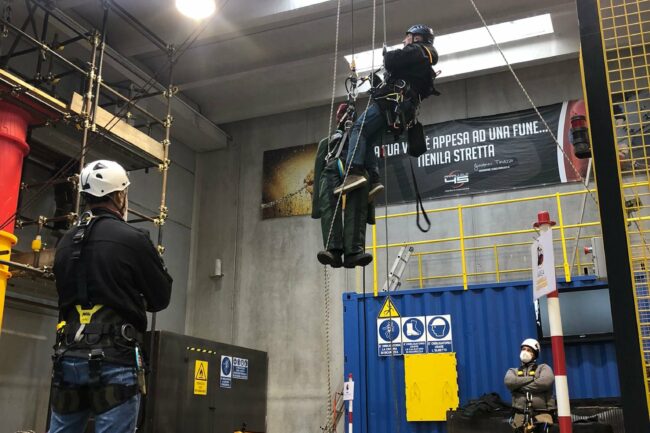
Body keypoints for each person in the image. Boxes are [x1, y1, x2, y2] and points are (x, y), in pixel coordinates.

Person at [49, 160, 173, 433]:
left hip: (69, 356)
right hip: (115, 358)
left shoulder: (65, 242)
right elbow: (160, 298)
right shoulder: (132, 238)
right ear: (119, 195)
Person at [335, 24, 439, 195]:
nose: (404, 41)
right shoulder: (423, 63)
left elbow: (391, 60)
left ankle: (354, 172)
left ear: (417, 38)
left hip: (390, 104)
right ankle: (374, 179)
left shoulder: (417, 51)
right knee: (368, 138)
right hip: (399, 109)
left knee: (357, 129)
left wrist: (387, 54)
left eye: (407, 37)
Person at [312, 103, 376, 268]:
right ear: (337, 119)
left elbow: (372, 165)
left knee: (357, 206)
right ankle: (333, 250)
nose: (345, 118)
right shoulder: (327, 143)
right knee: (329, 205)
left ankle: (354, 252)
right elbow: (318, 171)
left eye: (349, 115)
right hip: (332, 168)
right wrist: (317, 206)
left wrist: (371, 200)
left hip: (356, 171)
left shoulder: (362, 138)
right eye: (342, 114)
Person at [504, 338, 555, 431]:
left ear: (535, 354)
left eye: (529, 350)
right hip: (519, 417)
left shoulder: (544, 368)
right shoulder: (513, 371)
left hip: (542, 415)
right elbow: (509, 382)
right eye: (523, 349)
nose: (525, 352)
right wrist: (533, 378)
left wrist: (519, 387)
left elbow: (546, 382)